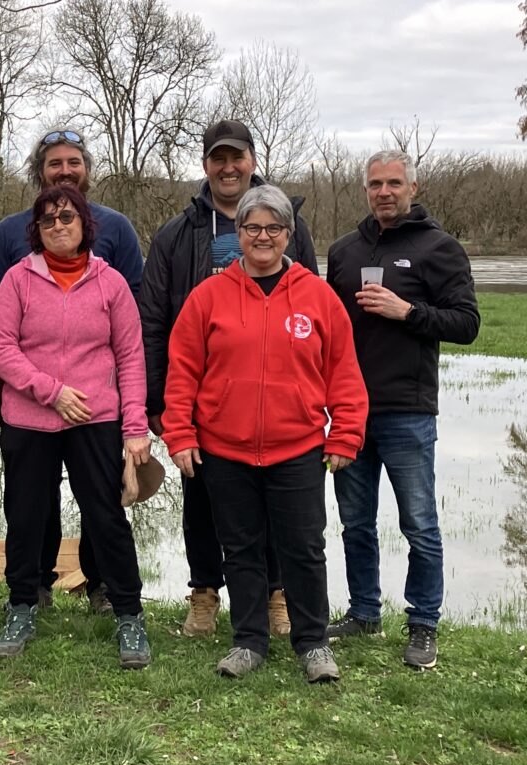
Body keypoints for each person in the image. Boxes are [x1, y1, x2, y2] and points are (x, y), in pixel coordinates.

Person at [162, 185, 367, 683]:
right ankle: (249, 641)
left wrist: (345, 434)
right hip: (224, 450)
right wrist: (180, 434)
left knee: (303, 547)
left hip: (297, 447)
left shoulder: (318, 297)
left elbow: (343, 371)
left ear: (288, 237)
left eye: (273, 228)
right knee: (242, 549)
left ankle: (313, 643)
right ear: (239, 234)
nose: (262, 237)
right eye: (252, 227)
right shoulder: (208, 296)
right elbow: (182, 371)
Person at [140, 119, 318, 638]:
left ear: (252, 161)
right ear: (205, 166)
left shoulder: (290, 227)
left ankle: (276, 595)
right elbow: (153, 320)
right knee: (201, 504)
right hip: (199, 396)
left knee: (274, 504)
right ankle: (203, 596)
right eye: (218, 158)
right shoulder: (177, 234)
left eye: (236, 157)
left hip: (273, 396)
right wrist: (160, 402)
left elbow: (308, 306)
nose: (227, 166)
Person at [0, 185, 152, 669]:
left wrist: (135, 426)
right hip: (30, 419)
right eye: (48, 220)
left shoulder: (111, 284)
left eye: (67, 217)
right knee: (26, 516)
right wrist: (50, 391)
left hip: (96, 419)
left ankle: (129, 614)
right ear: (35, 230)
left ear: (85, 224)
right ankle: (21, 606)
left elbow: (130, 357)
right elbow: (0, 349)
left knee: (106, 517)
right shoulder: (17, 280)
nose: (58, 225)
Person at [326, 149, 480, 669]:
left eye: (394, 183)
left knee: (419, 523)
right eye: (375, 184)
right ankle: (365, 611)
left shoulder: (440, 248)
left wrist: (407, 310)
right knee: (355, 522)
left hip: (408, 411)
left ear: (413, 187)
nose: (384, 192)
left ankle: (423, 624)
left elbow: (466, 324)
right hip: (349, 411)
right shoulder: (344, 251)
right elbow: (329, 328)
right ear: (365, 190)